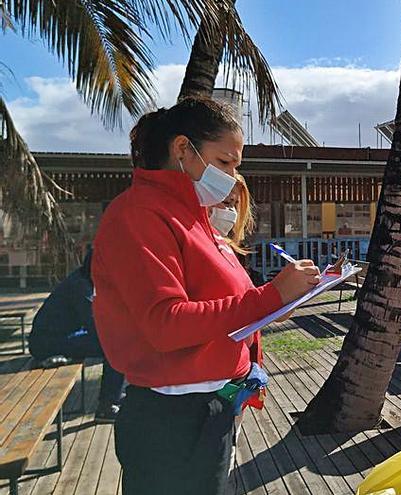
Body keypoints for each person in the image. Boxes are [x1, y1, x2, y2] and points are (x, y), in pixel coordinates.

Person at [91, 97, 321, 495]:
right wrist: (267, 298)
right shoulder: (141, 214)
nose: (233, 176)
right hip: (175, 419)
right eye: (225, 162)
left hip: (209, 407)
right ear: (183, 149)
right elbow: (165, 324)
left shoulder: (192, 216)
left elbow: (225, 305)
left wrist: (274, 305)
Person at [28, 248, 125, 422]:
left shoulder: (81, 280)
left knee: (116, 342)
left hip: (55, 337)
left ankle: (113, 396)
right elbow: (96, 326)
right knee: (115, 348)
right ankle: (106, 405)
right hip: (48, 342)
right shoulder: (80, 287)